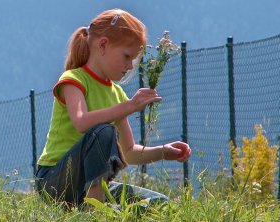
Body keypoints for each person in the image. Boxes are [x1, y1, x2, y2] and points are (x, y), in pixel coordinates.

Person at [35, 8, 191, 208]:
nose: (130, 66)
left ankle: (100, 208)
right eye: (126, 56)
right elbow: (81, 122)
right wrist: (130, 106)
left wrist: (164, 152)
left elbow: (129, 152)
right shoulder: (73, 80)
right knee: (103, 131)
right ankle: (95, 209)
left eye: (134, 60)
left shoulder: (116, 94)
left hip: (86, 187)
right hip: (54, 182)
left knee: (161, 204)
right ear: (103, 45)